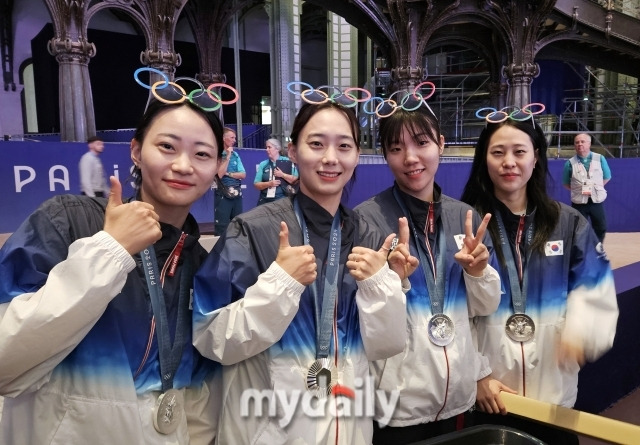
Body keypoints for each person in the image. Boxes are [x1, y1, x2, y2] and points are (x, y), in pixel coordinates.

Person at [0, 98, 224, 444]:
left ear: (217, 167)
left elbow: (198, 393)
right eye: (167, 146)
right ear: (136, 151)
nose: (183, 165)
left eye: (202, 154)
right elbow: (6, 362)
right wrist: (110, 250)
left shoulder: (201, 265)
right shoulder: (68, 221)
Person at [192, 101, 411, 445]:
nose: (330, 158)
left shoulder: (368, 235)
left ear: (357, 155)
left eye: (344, 146)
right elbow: (211, 339)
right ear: (293, 151)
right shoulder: (251, 230)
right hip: (271, 431)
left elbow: (388, 345)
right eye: (316, 144)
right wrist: (281, 284)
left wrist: (385, 286)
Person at [461, 115, 618, 444]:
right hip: (490, 398)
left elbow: (597, 288)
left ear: (536, 156)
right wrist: (476, 374)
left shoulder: (568, 223)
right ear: (483, 159)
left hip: (554, 399)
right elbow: (450, 309)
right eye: (498, 152)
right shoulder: (465, 224)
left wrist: (582, 334)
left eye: (519, 152)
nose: (509, 163)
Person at [354, 101, 501, 445]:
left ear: (441, 143)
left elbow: (482, 309)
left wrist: (479, 273)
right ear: (384, 155)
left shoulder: (465, 217)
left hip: (459, 399)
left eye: (421, 143)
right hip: (398, 407)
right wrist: (392, 280)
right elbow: (362, 324)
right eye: (395, 147)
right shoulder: (366, 220)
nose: (410, 157)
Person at [562, 132, 612, 242]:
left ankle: (597, 248)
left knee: (601, 227)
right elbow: (566, 183)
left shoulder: (600, 159)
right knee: (578, 229)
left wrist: (595, 188)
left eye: (582, 141)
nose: (580, 144)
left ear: (589, 144)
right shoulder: (569, 163)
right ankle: (581, 250)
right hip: (579, 203)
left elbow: (607, 176)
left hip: (596, 201)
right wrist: (578, 190)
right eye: (577, 142)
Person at [214, 127, 246, 235]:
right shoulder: (217, 155)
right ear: (223, 138)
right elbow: (219, 174)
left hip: (237, 194)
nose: (234, 140)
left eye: (235, 138)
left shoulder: (236, 155)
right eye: (232, 137)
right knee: (222, 227)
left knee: (237, 225)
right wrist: (227, 156)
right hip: (223, 194)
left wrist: (229, 174)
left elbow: (243, 174)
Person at [254, 138, 299, 205]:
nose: (267, 150)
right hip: (265, 200)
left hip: (282, 199)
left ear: (277, 149)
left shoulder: (288, 162)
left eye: (269, 147)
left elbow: (296, 180)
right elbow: (256, 184)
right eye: (266, 147)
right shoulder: (263, 164)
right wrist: (269, 184)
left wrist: (283, 175)